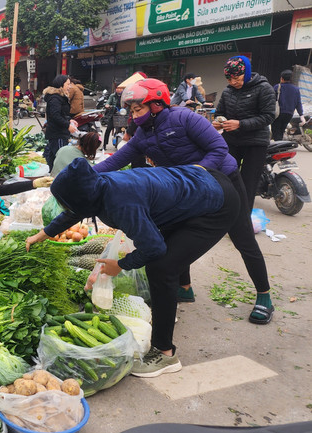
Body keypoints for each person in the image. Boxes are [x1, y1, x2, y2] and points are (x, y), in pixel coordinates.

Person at [27, 158, 240, 377]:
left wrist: (120, 265)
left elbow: (154, 248)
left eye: (65, 202)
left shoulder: (120, 202)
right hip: (200, 182)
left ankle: (165, 355)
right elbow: (76, 209)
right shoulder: (97, 186)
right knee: (167, 257)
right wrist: (43, 234)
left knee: (161, 268)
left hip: (217, 204)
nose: (64, 207)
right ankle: (167, 307)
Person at [94, 78, 275, 324]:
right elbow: (114, 161)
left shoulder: (185, 118)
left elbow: (219, 148)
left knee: (242, 237)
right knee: (175, 230)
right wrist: (81, 175)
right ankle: (185, 288)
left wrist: (195, 171)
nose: (135, 117)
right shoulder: (143, 135)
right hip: (186, 190)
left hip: (223, 181)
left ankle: (264, 295)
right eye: (132, 111)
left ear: (156, 104)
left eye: (139, 110)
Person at [213, 55, 276, 210]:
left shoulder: (263, 88)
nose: (233, 82)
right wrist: (218, 122)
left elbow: (268, 116)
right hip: (232, 141)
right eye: (229, 79)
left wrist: (240, 124)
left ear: (246, 72)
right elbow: (220, 112)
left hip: (255, 143)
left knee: (248, 184)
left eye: (237, 77)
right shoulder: (228, 91)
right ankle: (226, 215)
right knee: (226, 179)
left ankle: (243, 222)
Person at [43, 75, 77, 171]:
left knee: (54, 157)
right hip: (57, 133)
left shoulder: (60, 97)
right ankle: (59, 178)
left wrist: (69, 120)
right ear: (61, 85)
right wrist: (67, 125)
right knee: (61, 158)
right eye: (68, 84)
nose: (70, 86)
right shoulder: (55, 98)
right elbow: (55, 116)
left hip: (59, 132)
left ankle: (53, 176)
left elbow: (61, 114)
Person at [271, 69, 304, 141]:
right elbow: (298, 103)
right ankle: (281, 146)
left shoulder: (277, 87)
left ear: (282, 78)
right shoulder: (296, 89)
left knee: (276, 132)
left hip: (278, 113)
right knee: (282, 130)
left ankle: (279, 148)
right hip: (289, 114)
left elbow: (271, 100)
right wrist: (301, 115)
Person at [102, 84, 124, 149]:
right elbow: (108, 102)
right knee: (108, 129)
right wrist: (107, 105)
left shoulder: (125, 96)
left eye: (120, 88)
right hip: (114, 115)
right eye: (117, 88)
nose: (119, 89)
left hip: (123, 116)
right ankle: (104, 145)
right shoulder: (112, 96)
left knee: (124, 129)